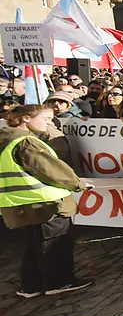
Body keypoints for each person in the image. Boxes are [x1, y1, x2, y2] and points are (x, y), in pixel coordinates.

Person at [1, 105, 93, 298]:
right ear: (26, 119)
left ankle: (30, 285)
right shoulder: (26, 142)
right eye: (45, 119)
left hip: (19, 204)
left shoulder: (6, 139)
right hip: (45, 203)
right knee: (55, 243)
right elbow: (49, 169)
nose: (49, 123)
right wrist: (77, 183)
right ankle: (59, 281)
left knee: (32, 245)